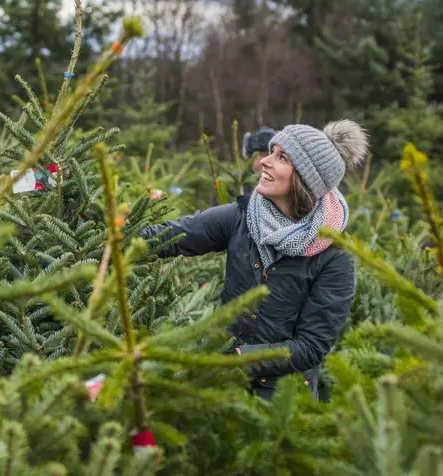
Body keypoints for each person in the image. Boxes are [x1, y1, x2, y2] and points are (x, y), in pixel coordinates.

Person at [141, 120, 368, 401]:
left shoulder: (335, 256)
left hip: (280, 401)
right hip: (221, 384)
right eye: (271, 152)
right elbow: (168, 237)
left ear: (305, 179)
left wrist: (239, 359)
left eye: (281, 157)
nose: (264, 162)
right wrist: (113, 238)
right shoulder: (243, 216)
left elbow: (311, 346)